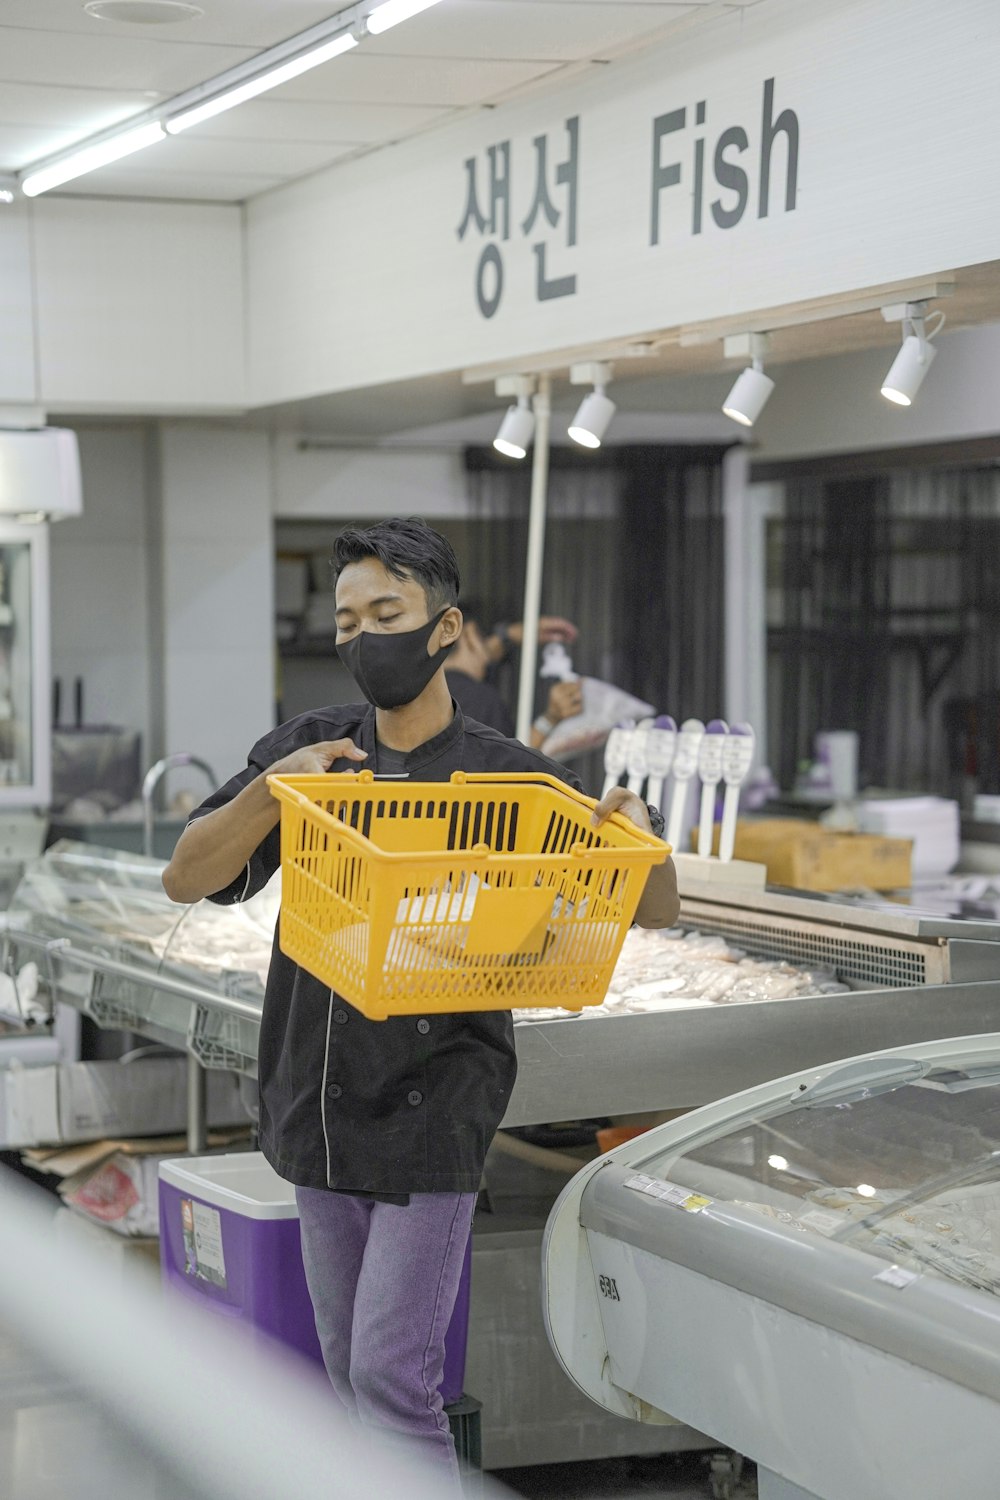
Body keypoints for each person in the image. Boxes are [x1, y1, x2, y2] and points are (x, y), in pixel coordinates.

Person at [161, 517, 679, 1486]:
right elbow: (186, 875)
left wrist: (642, 832)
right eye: (347, 621)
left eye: (386, 614)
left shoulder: (506, 773)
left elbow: (648, 907)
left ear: (444, 627)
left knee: (390, 1379)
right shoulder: (311, 753)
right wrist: (273, 790)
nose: (363, 639)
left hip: (436, 1106)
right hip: (316, 1101)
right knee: (347, 1382)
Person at [445, 610, 584, 745]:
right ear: (468, 636)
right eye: (481, 636)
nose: (487, 646)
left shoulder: (429, 693)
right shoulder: (481, 700)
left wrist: (509, 635)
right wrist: (550, 719)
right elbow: (508, 764)